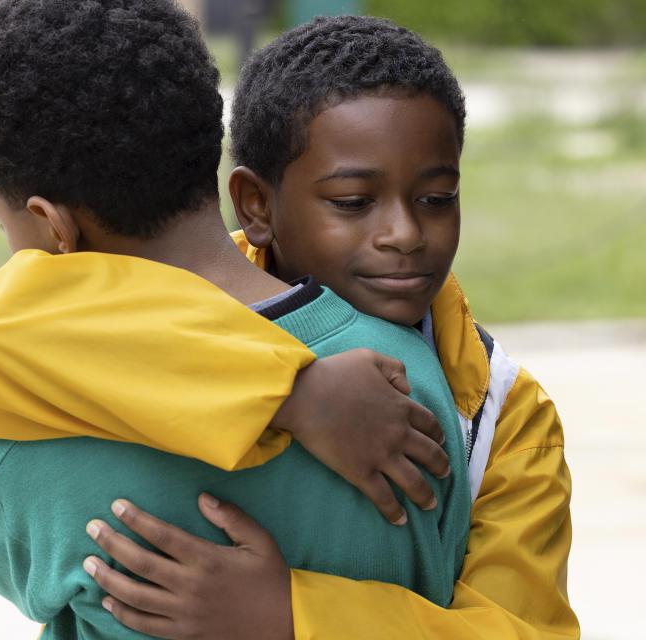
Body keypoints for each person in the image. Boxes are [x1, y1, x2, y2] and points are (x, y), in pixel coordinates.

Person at [0, 2, 472, 638]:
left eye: (0, 222)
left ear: (53, 226)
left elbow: (2, 551)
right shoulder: (406, 374)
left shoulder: (31, 423)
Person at [83, 15, 581, 640]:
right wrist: (293, 393)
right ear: (256, 206)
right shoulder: (157, 306)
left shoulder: (503, 418)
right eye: (352, 202)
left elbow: (522, 631)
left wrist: (290, 613)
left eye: (436, 198)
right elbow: (16, 339)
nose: (404, 234)